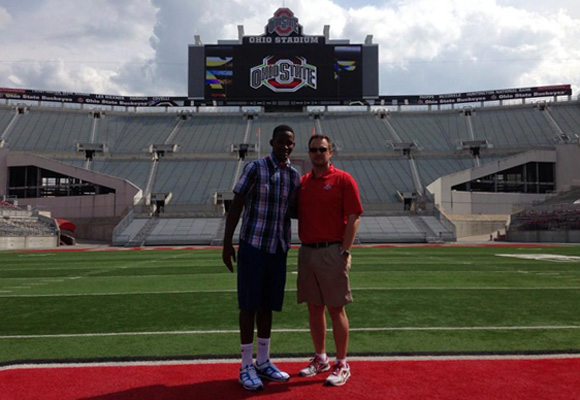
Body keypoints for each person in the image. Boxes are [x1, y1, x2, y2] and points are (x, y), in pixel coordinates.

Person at [222, 125, 301, 391]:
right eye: (282, 142)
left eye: (290, 143)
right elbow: (237, 204)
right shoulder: (255, 168)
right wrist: (226, 243)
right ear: (272, 142)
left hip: (277, 247)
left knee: (268, 306)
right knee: (248, 305)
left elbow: (296, 210)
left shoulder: (293, 175)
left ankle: (264, 361)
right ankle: (245, 364)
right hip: (253, 244)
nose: (286, 147)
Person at [296, 134, 363, 387]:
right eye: (313, 150)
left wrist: (344, 251)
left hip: (332, 249)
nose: (317, 153)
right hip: (307, 250)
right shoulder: (302, 183)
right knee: (314, 307)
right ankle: (321, 358)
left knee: (336, 308)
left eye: (322, 149)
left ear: (331, 152)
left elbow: (355, 215)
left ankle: (342, 362)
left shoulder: (343, 179)